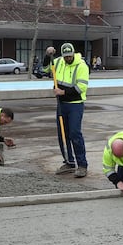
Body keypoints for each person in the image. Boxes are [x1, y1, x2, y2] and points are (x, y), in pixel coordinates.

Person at [42, 43, 89, 178]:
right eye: (65, 57)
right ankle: (69, 162)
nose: (67, 59)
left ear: (73, 54)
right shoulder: (58, 62)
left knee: (75, 133)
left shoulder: (81, 66)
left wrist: (63, 92)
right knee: (63, 134)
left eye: (69, 56)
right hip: (62, 105)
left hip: (75, 104)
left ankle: (82, 165)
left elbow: (81, 88)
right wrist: (47, 55)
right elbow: (44, 69)